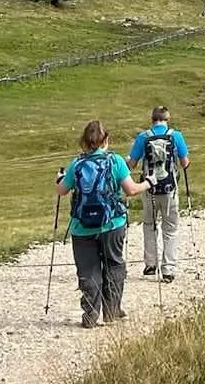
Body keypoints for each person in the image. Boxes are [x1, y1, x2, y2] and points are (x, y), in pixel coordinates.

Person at [58, 120, 142, 328]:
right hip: (112, 222)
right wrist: (148, 183)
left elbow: (62, 190)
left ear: (84, 141)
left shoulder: (76, 164)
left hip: (82, 226)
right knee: (114, 263)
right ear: (106, 139)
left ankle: (90, 314)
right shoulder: (115, 161)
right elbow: (131, 189)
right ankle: (112, 310)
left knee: (88, 270)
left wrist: (59, 178)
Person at [128, 105, 190, 281]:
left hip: (149, 189)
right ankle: (168, 268)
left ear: (152, 119)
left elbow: (132, 163)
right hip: (169, 189)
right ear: (167, 119)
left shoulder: (143, 137)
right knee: (170, 228)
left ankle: (150, 263)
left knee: (149, 224)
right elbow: (185, 163)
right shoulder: (176, 136)